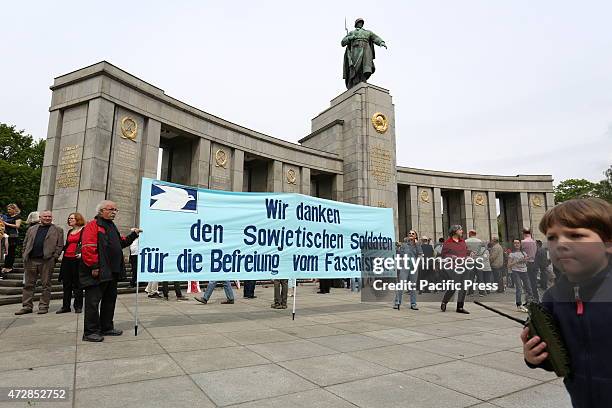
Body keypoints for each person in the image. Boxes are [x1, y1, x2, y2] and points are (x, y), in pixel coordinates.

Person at [521, 198, 612, 407]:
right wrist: (534, 356)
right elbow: (555, 353)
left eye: (576, 235)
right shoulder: (553, 297)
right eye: (552, 238)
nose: (561, 244)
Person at [80, 200, 140, 342]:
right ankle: (90, 332)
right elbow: (88, 247)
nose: (114, 212)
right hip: (98, 271)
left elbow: (121, 242)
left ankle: (106, 327)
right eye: (111, 209)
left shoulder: (111, 226)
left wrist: (134, 235)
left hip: (112, 271)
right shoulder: (93, 225)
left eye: (115, 209)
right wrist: (94, 266)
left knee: (109, 300)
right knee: (93, 302)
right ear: (101, 211)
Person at [15, 211, 64, 315]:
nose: (47, 218)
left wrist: (54, 257)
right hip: (31, 260)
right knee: (28, 285)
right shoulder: (32, 229)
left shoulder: (58, 230)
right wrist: (24, 254)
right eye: (45, 216)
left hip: (47, 261)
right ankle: (27, 306)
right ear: (40, 217)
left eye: (49, 216)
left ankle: (43, 306)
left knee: (46, 285)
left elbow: (60, 245)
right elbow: (25, 243)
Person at [341, 18, 387, 89]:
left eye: (361, 22)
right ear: (356, 24)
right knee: (355, 67)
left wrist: (381, 42)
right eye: (359, 22)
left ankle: (363, 79)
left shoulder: (367, 32)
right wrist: (350, 38)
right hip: (356, 49)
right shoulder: (352, 32)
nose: (360, 23)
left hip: (366, 49)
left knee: (365, 66)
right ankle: (354, 81)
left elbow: (375, 38)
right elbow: (343, 42)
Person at [56, 212, 85, 314]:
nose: (70, 220)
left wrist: (83, 254)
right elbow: (67, 245)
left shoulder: (84, 230)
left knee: (77, 284)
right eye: (69, 218)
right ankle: (65, 306)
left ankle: (78, 306)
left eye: (72, 218)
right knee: (66, 283)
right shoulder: (70, 231)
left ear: (78, 219)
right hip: (67, 259)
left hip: (77, 260)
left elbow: (86, 244)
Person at [440, 225, 470, 314]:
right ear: (455, 231)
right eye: (460, 229)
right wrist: (451, 256)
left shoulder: (462, 241)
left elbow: (465, 251)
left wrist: (470, 252)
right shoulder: (447, 243)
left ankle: (460, 307)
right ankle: (444, 302)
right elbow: (443, 256)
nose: (462, 231)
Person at [394, 230, 422, 310]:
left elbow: (420, 253)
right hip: (405, 267)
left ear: (415, 236)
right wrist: (397, 249)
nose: (411, 234)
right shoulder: (404, 245)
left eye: (413, 233)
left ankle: (413, 304)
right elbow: (400, 254)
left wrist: (416, 244)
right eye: (409, 233)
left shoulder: (418, 245)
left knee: (412, 286)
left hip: (414, 267)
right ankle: (397, 302)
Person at [508, 239, 532, 312]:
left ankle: (529, 303)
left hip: (524, 271)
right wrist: (518, 261)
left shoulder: (524, 253)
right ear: (513, 245)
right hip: (516, 272)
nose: (516, 244)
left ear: (520, 244)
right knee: (519, 288)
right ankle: (519, 305)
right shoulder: (511, 254)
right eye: (515, 243)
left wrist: (526, 260)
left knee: (529, 288)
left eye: (518, 243)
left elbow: (526, 263)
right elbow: (508, 265)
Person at [1, 203, 22, 274]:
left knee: (11, 252)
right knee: (6, 251)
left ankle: (9, 267)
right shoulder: (6, 216)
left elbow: (17, 226)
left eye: (10, 209)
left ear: (14, 209)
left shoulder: (17, 217)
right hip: (6, 235)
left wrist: (6, 224)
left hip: (13, 236)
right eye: (8, 209)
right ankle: (5, 266)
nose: (8, 210)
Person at [521, 228, 540, 302]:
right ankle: (536, 297)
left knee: (527, 281)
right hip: (534, 263)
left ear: (524, 234)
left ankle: (529, 297)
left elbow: (521, 252)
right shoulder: (534, 242)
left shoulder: (523, 242)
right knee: (534, 281)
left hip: (527, 264)